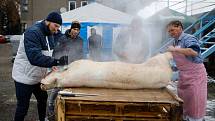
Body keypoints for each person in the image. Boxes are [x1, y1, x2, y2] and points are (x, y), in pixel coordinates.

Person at [12, 12, 68, 121]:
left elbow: (46, 54)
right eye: (55, 26)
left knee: (43, 100)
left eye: (58, 27)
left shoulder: (50, 35)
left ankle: (43, 119)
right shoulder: (32, 33)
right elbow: (34, 57)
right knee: (23, 107)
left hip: (38, 77)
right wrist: (55, 62)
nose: (57, 29)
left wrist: (51, 66)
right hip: (24, 77)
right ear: (48, 21)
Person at [166, 20, 207, 121]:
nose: (171, 33)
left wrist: (175, 50)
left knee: (195, 101)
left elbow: (193, 52)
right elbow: (174, 57)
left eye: (172, 30)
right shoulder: (174, 42)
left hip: (195, 76)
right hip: (184, 76)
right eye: (169, 31)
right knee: (184, 102)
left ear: (180, 27)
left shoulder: (188, 38)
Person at [47, 21, 84, 117]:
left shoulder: (80, 40)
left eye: (78, 30)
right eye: (74, 29)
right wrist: (54, 63)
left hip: (74, 65)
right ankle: (50, 105)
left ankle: (68, 104)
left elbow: (80, 53)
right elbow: (56, 51)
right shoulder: (63, 38)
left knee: (72, 85)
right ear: (71, 29)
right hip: (62, 64)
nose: (76, 31)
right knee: (58, 85)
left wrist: (80, 64)